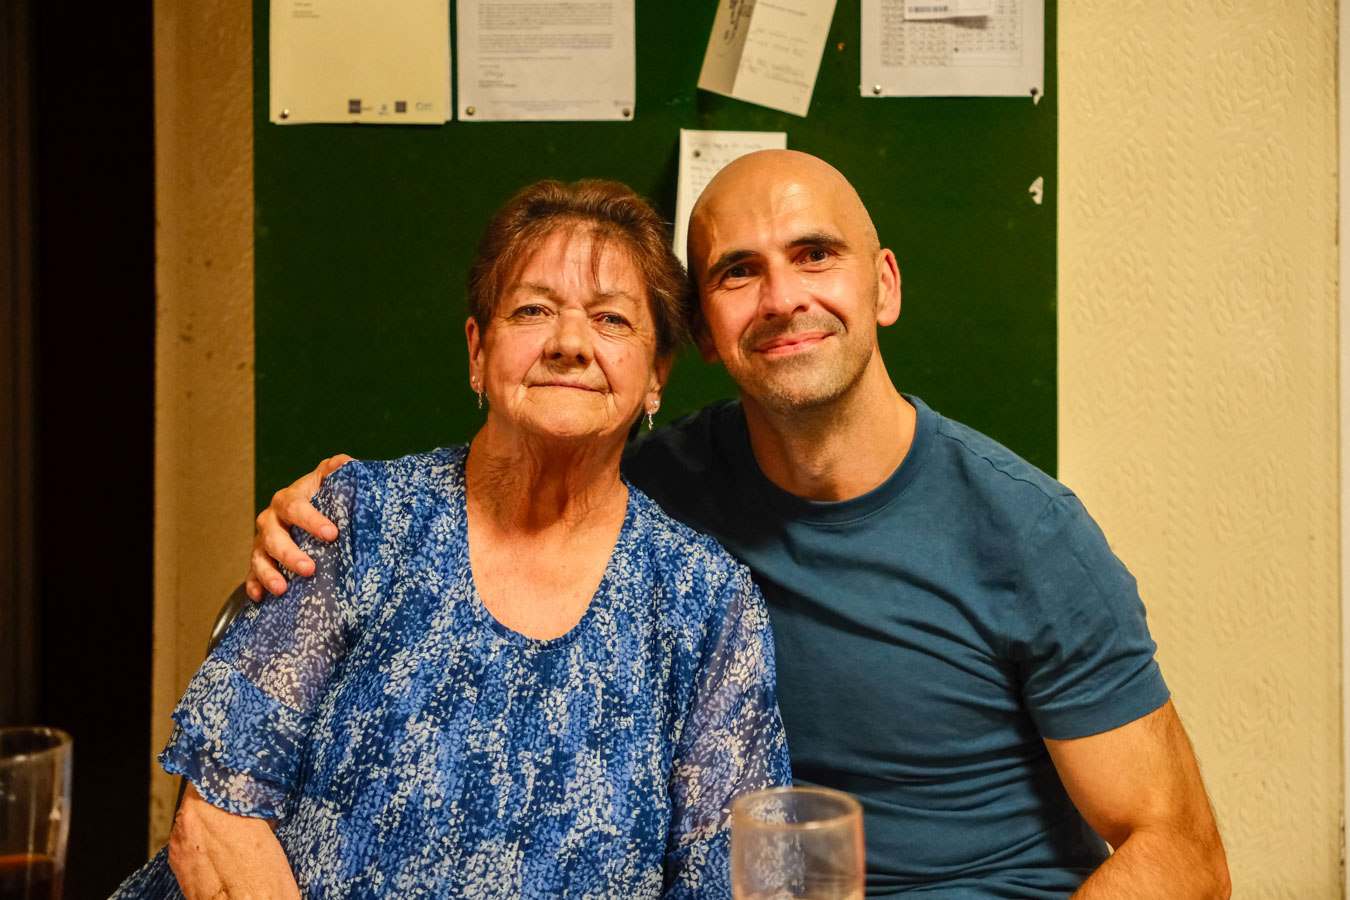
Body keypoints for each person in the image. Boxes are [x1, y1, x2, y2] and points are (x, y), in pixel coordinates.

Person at [251, 151, 1230, 898]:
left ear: (884, 285)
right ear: (704, 338)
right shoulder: (652, 498)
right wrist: (322, 507)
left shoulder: (1025, 533)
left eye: (816, 255)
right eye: (737, 272)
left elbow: (1181, 851)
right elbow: (505, 480)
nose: (783, 298)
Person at [114, 179, 790, 900]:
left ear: (656, 375)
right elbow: (216, 822)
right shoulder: (356, 519)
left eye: (611, 319)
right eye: (532, 310)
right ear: (477, 350)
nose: (569, 344)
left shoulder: (705, 602)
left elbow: (739, 882)